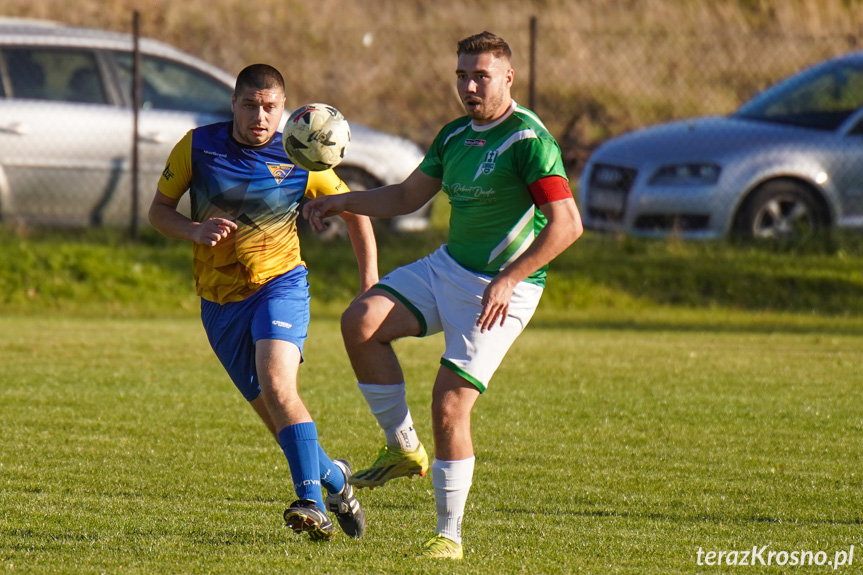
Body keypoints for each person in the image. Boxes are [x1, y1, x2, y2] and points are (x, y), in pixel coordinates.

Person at [302, 32, 583, 558]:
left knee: (450, 405)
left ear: (508, 78)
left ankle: (448, 535)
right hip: (448, 268)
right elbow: (408, 196)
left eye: (480, 75)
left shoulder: (528, 141)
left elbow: (567, 225)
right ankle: (403, 448)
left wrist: (511, 277)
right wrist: (343, 202)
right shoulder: (455, 135)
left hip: (502, 290)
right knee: (359, 322)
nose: (469, 85)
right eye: (461, 75)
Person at [148, 64, 378, 542]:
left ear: (283, 108)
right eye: (250, 104)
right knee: (277, 418)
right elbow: (158, 211)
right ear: (233, 104)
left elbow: (355, 211)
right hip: (219, 301)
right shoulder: (197, 146)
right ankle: (336, 481)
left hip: (280, 286)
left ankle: (310, 503)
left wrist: (369, 283)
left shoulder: (302, 154)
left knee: (278, 385)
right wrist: (193, 230)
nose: (260, 115)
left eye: (270, 106)